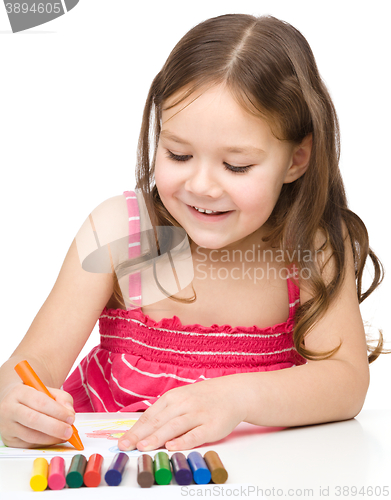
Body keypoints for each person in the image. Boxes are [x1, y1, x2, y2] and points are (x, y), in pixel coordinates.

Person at [0, 13, 386, 452]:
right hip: (113, 473)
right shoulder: (118, 232)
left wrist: (237, 397)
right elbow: (35, 361)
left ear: (296, 160)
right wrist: (15, 402)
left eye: (236, 165)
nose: (201, 185)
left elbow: (347, 380)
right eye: (178, 154)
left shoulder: (310, 246)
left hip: (252, 477)